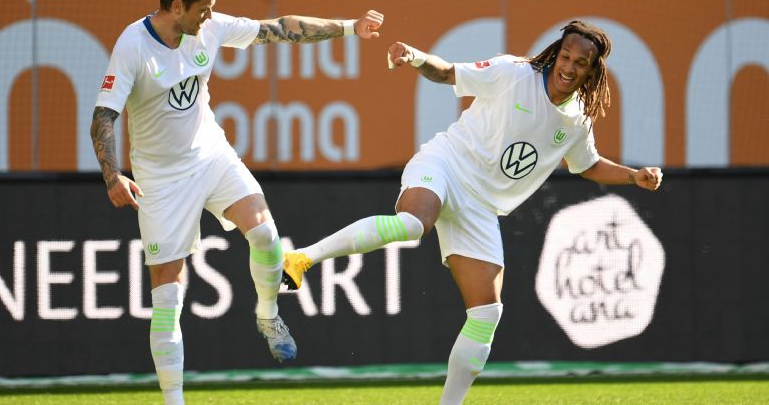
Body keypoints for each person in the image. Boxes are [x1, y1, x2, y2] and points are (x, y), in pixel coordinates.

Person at [282, 20, 663, 405]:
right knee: (413, 225)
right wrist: (414, 57)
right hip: (446, 164)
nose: (569, 67)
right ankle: (302, 258)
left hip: (480, 207)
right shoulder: (514, 73)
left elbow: (588, 164)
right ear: (556, 54)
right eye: (566, 56)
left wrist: (634, 176)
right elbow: (447, 72)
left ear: (592, 70)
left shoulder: (578, 118)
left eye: (580, 63)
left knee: (486, 315)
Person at [89, 0, 383, 405]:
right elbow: (103, 116)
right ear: (176, 6)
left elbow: (279, 28)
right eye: (203, 8)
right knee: (167, 297)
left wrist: (349, 27)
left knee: (265, 234)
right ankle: (174, 400)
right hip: (161, 180)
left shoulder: (209, 27)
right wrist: (113, 175)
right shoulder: (133, 45)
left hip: (211, 155)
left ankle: (268, 313)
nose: (210, 15)